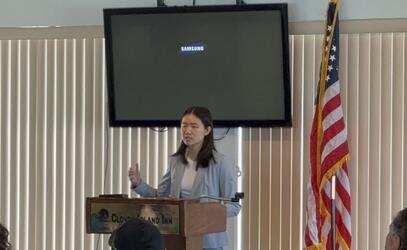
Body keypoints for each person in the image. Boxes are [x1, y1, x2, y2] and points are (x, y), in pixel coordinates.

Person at [128, 106, 241, 250]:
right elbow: (161, 196)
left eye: (194, 126)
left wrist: (205, 213)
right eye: (184, 125)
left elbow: (234, 206)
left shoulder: (221, 163)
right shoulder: (175, 161)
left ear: (207, 130)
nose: (187, 131)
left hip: (207, 241)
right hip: (177, 238)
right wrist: (139, 184)